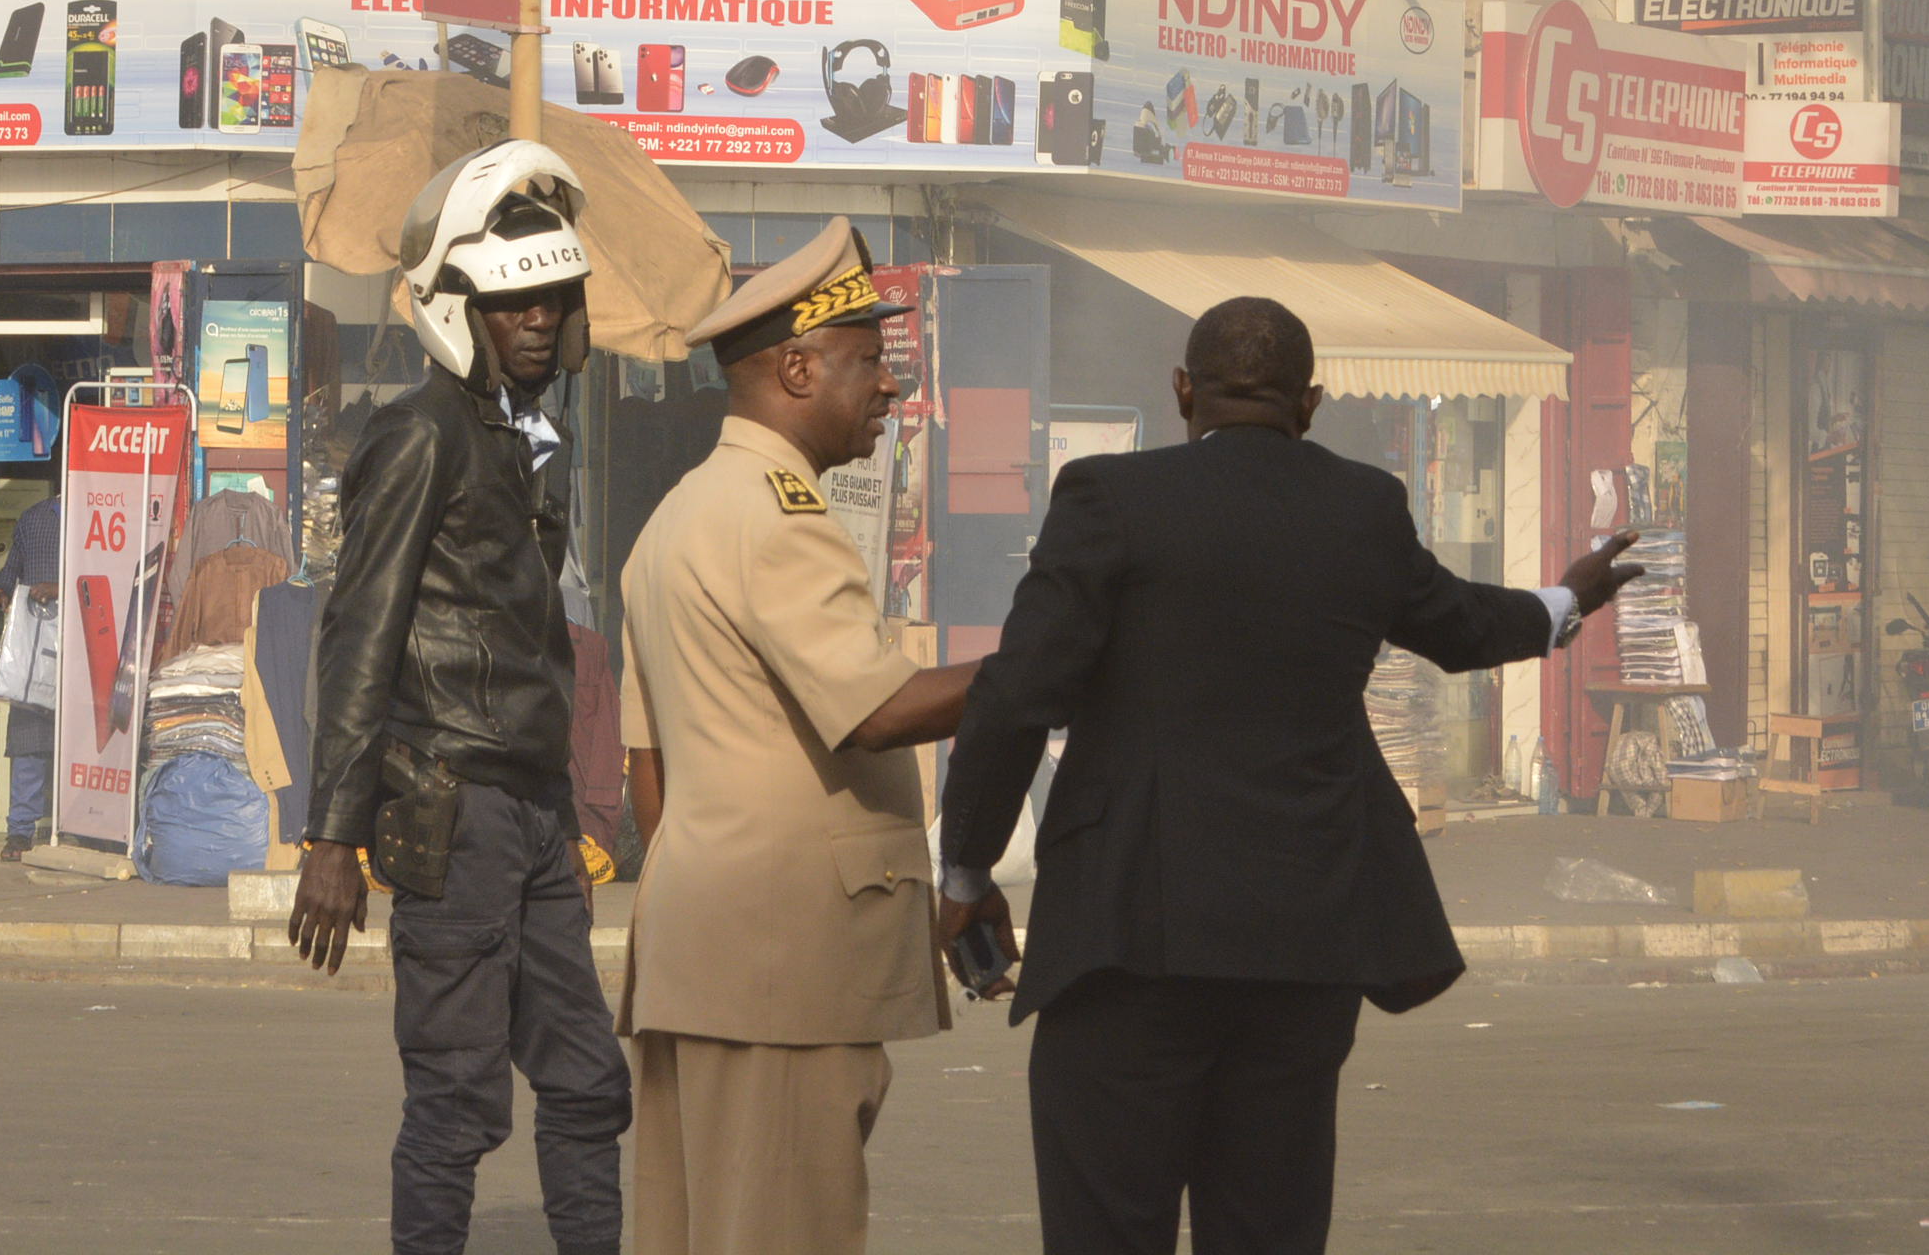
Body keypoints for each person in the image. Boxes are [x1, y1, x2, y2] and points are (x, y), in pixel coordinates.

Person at [935, 296, 1645, 1255]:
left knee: (1106, 1226)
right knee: (1267, 1229)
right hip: (1301, 945)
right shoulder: (1362, 507)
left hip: (1127, 938)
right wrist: (1570, 597)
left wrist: (968, 871)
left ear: (1183, 391)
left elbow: (1018, 693)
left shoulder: (1108, 497)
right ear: (1310, 402)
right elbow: (1460, 624)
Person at [287, 141, 630, 1255]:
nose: (536, 320)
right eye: (510, 299)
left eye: (551, 298)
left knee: (586, 1081)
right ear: (458, 305)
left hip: (531, 810)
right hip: (451, 802)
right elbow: (359, 633)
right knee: (458, 1098)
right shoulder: (422, 432)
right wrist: (332, 835)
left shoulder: (526, 435)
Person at [614, 217, 980, 1255]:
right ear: (797, 365)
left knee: (698, 1229)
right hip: (783, 968)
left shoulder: (679, 513)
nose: (890, 387)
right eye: (870, 361)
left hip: (707, 948)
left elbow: (650, 770)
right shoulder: (778, 514)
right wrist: (1058, 664)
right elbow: (874, 707)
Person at [0, 494, 63, 861]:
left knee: (84, 745)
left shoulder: (106, 513)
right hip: (35, 644)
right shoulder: (33, 518)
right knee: (29, 740)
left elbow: (116, 579)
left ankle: (88, 829)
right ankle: (20, 832)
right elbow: (10, 569)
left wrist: (60, 588)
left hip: (88, 647)